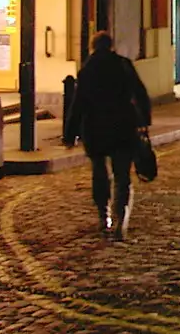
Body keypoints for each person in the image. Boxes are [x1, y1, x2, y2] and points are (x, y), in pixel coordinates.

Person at [63, 31, 152, 240]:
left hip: (95, 129)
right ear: (111, 46)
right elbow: (140, 93)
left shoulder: (87, 70)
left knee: (99, 172)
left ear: (93, 47)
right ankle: (121, 218)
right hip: (122, 127)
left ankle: (103, 215)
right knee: (122, 176)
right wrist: (144, 122)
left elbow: (78, 105)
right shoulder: (123, 65)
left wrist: (70, 133)